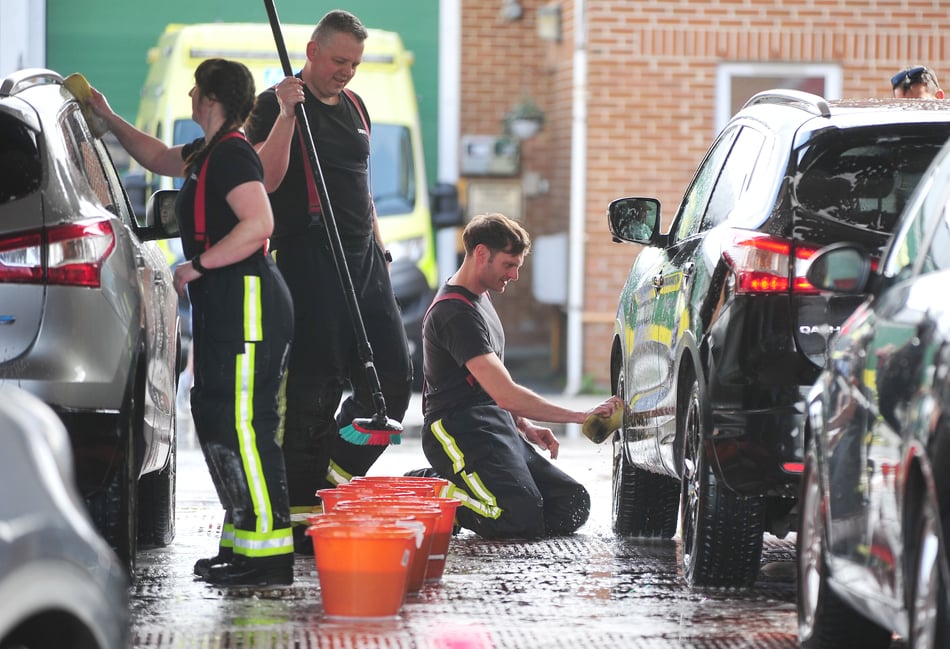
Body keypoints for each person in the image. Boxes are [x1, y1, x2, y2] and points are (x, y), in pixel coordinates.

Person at [87, 59, 295, 586]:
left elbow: (259, 222)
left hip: (247, 300)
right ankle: (243, 544)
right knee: (217, 417)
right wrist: (107, 118)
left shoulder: (230, 156)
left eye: (194, 89)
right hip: (227, 303)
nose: (189, 95)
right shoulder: (209, 153)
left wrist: (195, 265)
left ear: (208, 98)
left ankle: (268, 557)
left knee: (246, 425)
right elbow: (155, 155)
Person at [245, 9, 412, 552]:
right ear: (312, 52)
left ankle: (328, 481)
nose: (347, 72)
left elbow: (360, 185)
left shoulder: (356, 106)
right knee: (314, 391)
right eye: (339, 61)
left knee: (391, 384)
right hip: (310, 257)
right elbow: (264, 181)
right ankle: (299, 515)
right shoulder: (275, 104)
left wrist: (381, 247)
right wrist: (289, 114)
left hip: (365, 259)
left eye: (355, 64)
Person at [418, 212, 622, 539]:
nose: (513, 276)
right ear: (481, 254)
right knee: (517, 516)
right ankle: (431, 488)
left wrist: (523, 424)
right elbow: (506, 393)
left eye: (517, 266)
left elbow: (494, 383)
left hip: (492, 424)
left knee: (571, 504)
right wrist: (580, 415)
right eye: (509, 265)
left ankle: (472, 490)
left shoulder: (480, 298)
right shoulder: (454, 313)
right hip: (456, 430)